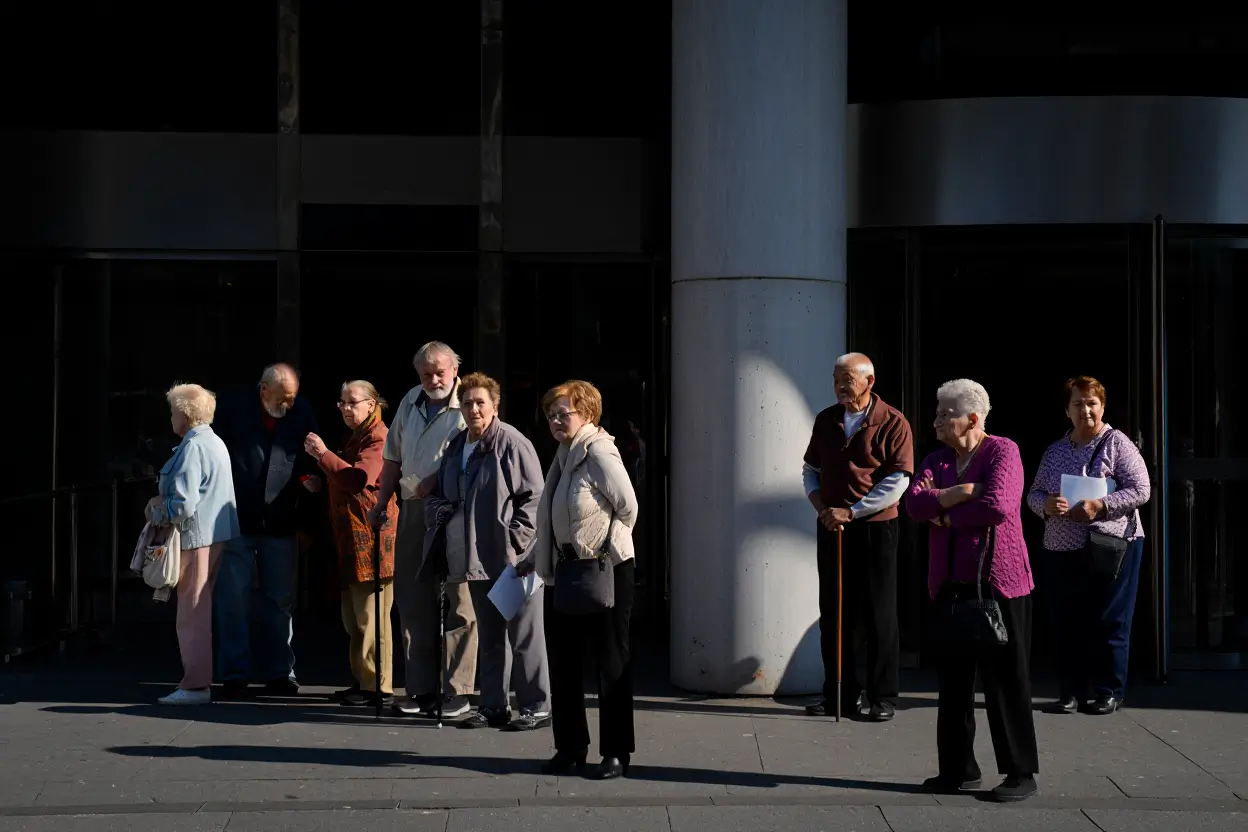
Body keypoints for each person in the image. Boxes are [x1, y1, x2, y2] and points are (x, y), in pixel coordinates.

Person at [907, 379, 1040, 802]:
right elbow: (914, 504)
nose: (936, 420)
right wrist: (961, 492)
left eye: (945, 413)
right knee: (953, 684)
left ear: (973, 418)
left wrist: (943, 512)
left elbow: (999, 505)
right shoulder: (938, 460)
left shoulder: (1003, 451)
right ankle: (958, 770)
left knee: (1005, 682)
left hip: (999, 585)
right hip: (949, 586)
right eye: (937, 412)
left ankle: (1020, 773)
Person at [521, 381, 639, 780]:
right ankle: (570, 747)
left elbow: (628, 507)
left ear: (586, 413)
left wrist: (602, 548)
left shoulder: (600, 451)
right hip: (565, 571)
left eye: (563, 413)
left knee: (611, 663)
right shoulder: (562, 454)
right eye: (551, 414)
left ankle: (616, 753)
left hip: (606, 570)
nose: (555, 420)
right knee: (564, 663)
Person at [425, 372, 551, 730]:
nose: (474, 408)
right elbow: (444, 493)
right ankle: (494, 706)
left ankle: (536, 707)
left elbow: (534, 498)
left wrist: (516, 543)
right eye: (467, 403)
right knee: (492, 636)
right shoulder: (456, 445)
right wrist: (439, 510)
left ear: (495, 406)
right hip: (474, 558)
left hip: (514, 560)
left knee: (524, 634)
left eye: (481, 402)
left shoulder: (512, 442)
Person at [1027, 376, 1151, 716]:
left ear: (1103, 407)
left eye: (1092, 403)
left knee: (1110, 620)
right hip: (1060, 547)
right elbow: (1033, 493)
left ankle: (1108, 691)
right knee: (1067, 622)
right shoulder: (1055, 451)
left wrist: (1102, 505)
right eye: (1078, 403)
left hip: (1111, 545)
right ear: (1067, 410)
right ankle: (1070, 693)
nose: (1086, 410)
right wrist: (1045, 506)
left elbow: (1142, 489)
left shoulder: (1117, 443)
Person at [801, 352, 914, 721]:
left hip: (876, 526)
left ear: (870, 381)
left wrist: (852, 510)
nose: (839, 386)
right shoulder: (826, 420)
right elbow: (810, 469)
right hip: (832, 525)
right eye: (836, 379)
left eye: (847, 379)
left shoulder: (892, 422)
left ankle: (883, 696)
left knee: (879, 612)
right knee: (834, 611)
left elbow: (898, 481)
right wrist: (822, 508)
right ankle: (839, 693)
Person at [367, 341, 477, 718]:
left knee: (458, 598)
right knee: (412, 596)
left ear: (454, 370)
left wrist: (440, 478)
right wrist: (381, 504)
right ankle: (419, 689)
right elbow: (392, 456)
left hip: (455, 508)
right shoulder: (411, 399)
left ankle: (458, 691)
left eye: (439, 373)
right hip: (412, 507)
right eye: (425, 373)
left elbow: (475, 456)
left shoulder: (469, 402)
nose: (432, 380)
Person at [211, 363, 321, 697]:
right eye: (282, 398)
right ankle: (234, 673)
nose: (287, 405)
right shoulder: (232, 408)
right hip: (237, 517)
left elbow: (308, 458)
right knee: (233, 599)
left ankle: (280, 672)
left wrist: (307, 485)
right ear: (263, 389)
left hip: (281, 519)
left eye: (292, 398)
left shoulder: (300, 410)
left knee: (279, 601)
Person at [304, 380, 399, 707]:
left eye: (351, 402)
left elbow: (358, 480)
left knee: (370, 618)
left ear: (371, 404)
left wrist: (323, 456)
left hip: (371, 545)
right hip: (351, 544)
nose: (344, 408)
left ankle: (376, 686)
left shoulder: (378, 437)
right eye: (341, 402)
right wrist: (323, 479)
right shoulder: (358, 437)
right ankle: (362, 680)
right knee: (355, 618)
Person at [149, 383, 240, 705]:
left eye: (173, 411)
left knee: (192, 613)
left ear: (185, 414)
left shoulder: (194, 447)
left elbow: (184, 504)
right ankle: (196, 683)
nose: (171, 417)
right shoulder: (212, 442)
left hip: (195, 538)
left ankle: (195, 684)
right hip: (211, 536)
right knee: (198, 609)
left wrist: (158, 510)